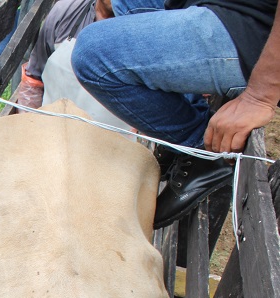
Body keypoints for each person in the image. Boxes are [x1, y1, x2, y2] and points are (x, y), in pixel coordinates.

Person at [72, 0, 280, 227]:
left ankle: (202, 150)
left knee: (93, 55)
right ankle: (181, 126)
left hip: (252, 29)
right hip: (227, 6)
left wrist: (260, 96)